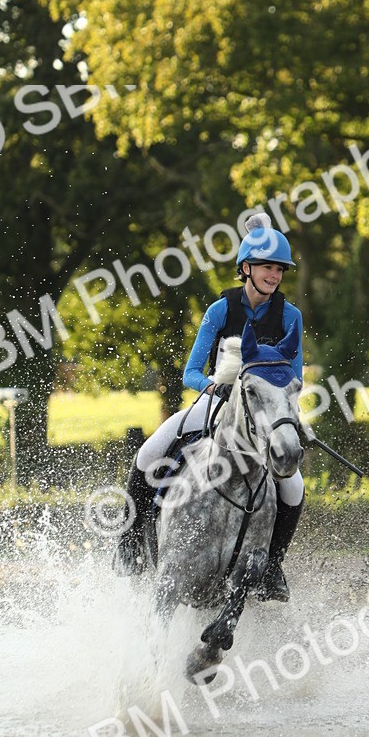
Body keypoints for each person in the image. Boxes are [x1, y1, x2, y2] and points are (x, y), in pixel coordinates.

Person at [114, 213, 305, 601]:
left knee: (294, 486)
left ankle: (271, 566)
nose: (274, 275)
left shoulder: (290, 316)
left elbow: (293, 378)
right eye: (267, 267)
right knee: (149, 451)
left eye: (279, 269)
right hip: (216, 402)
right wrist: (215, 388)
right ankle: (130, 543)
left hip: (263, 414)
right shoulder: (221, 311)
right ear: (246, 269)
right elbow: (190, 373)